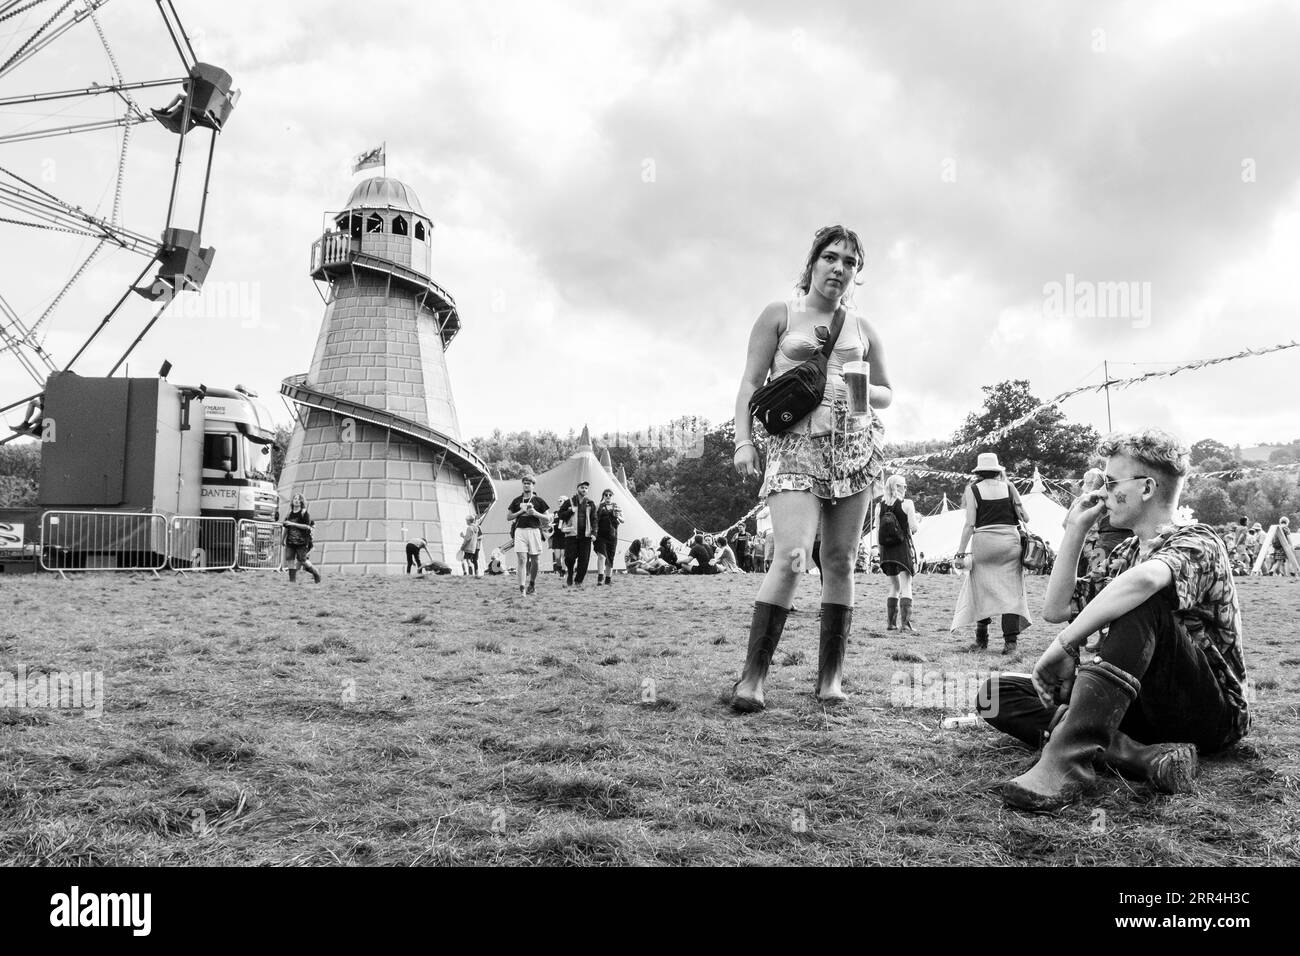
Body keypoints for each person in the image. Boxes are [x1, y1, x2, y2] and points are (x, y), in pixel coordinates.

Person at [980, 428, 1249, 811]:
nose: (1103, 492)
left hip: (1210, 712)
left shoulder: (1199, 540)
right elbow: (1056, 609)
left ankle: (1067, 760)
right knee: (995, 693)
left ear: (1147, 488)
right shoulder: (1124, 552)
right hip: (1140, 704)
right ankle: (1144, 758)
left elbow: (1145, 582)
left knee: (1141, 599)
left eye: (1110, 481)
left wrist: (1065, 644)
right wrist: (1076, 529)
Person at [730, 224, 891, 710]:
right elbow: (748, 384)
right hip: (795, 447)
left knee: (840, 560)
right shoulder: (780, 314)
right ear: (814, 262)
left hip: (854, 452)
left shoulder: (864, 328)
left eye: (850, 262)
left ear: (856, 273)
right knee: (793, 555)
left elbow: (886, 392)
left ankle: (830, 679)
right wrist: (743, 441)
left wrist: (860, 389)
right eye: (831, 257)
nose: (839, 268)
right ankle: (752, 678)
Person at [951, 453, 1031, 655]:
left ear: (979, 472)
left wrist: (961, 552)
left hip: (984, 542)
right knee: (1012, 593)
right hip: (1009, 542)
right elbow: (1026, 518)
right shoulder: (1010, 487)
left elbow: (970, 523)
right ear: (998, 471)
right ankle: (1010, 644)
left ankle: (981, 639)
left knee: (981, 589)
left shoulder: (973, 489)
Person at [871, 474, 920, 633]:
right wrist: (918, 520)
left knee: (894, 585)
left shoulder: (880, 506)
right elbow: (913, 528)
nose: (906, 489)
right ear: (897, 487)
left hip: (886, 550)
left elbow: (878, 530)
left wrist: (879, 551)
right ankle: (905, 624)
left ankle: (891, 623)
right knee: (906, 585)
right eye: (903, 486)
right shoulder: (907, 504)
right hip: (902, 549)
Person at [506, 475, 549, 595]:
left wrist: (535, 513)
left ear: (533, 485)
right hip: (520, 531)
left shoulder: (539, 501)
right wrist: (520, 511)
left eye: (529, 483)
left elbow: (547, 518)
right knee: (522, 559)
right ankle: (521, 588)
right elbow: (508, 517)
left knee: (535, 560)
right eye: (524, 483)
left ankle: (532, 584)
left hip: (534, 530)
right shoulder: (516, 500)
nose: (526, 485)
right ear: (522, 484)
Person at [556, 480, 598, 587]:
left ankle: (578, 581)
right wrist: (570, 511)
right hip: (571, 534)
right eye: (582, 487)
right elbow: (560, 514)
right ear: (577, 489)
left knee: (584, 560)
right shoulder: (569, 501)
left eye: (586, 488)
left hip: (586, 535)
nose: (584, 490)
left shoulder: (590, 503)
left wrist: (594, 533)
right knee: (569, 558)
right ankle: (570, 573)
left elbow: (594, 519)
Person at [281, 494, 322, 584]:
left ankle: (315, 572)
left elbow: (307, 526)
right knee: (290, 560)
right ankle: (292, 581)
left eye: (298, 499)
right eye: (295, 499)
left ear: (301, 502)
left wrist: (293, 524)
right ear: (292, 501)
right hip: (290, 542)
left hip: (302, 542)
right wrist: (282, 539)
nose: (296, 500)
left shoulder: (304, 513)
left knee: (302, 560)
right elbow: (286, 528)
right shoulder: (289, 514)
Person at [593, 488, 623, 586]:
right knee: (601, 556)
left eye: (610, 495)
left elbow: (623, 520)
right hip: (600, 535)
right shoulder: (599, 506)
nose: (608, 496)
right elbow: (593, 519)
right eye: (606, 495)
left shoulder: (616, 507)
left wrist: (617, 516)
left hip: (612, 535)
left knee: (610, 557)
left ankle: (608, 579)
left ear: (612, 496)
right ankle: (600, 578)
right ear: (603, 496)